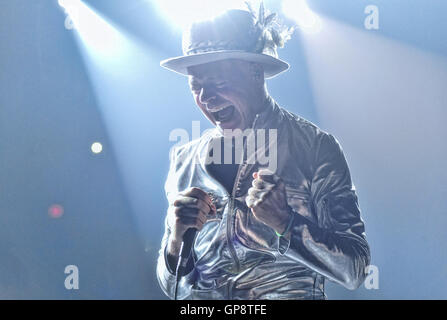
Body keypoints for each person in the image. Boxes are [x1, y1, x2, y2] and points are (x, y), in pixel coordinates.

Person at [156, 5, 370, 300]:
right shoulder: (184, 160)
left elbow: (354, 270)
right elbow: (174, 290)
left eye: (218, 82)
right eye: (196, 86)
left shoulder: (315, 147)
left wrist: (286, 223)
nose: (206, 97)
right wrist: (176, 243)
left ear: (255, 72)